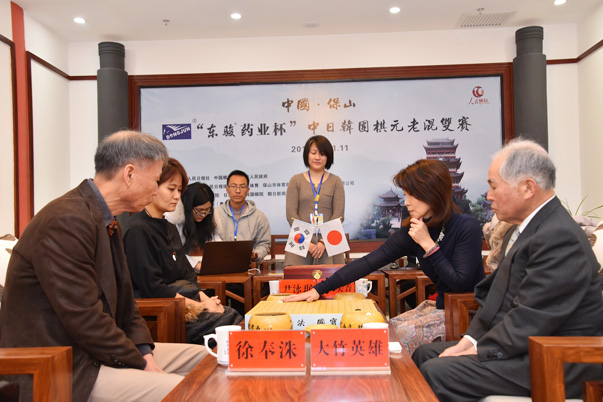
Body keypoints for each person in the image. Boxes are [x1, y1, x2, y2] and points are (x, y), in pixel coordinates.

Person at [0, 131, 207, 402]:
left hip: (100, 351)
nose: (156, 191)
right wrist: (142, 364)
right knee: (194, 391)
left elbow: (127, 305)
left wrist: (145, 352)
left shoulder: (107, 220)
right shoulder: (66, 221)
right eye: (156, 180)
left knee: (209, 359)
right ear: (129, 173)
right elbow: (84, 318)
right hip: (66, 365)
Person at [412, 139, 603, 401]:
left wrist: (476, 352)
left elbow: (531, 318)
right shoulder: (524, 228)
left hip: (559, 358)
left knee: (438, 371)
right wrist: (469, 342)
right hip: (528, 346)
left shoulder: (559, 236)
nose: (488, 195)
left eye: (494, 186)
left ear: (528, 188)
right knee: (424, 354)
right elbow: (498, 301)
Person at [284, 159, 485, 352]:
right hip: (441, 308)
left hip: (469, 314)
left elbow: (459, 283)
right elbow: (368, 262)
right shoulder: (414, 230)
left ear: (432, 193)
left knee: (396, 335)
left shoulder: (466, 226)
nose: (406, 203)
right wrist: (318, 289)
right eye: (405, 195)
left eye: (411, 196)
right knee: (385, 328)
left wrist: (427, 244)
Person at [123, 158, 242, 345]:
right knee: (230, 322)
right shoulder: (138, 229)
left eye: (179, 190)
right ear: (152, 186)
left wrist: (207, 301)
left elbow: (188, 274)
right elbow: (153, 287)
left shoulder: (169, 228)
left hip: (181, 303)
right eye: (171, 189)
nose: (177, 196)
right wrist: (201, 306)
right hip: (160, 311)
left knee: (231, 317)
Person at [284, 135, 346, 265]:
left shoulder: (336, 181)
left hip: (330, 240)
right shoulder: (295, 181)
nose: (317, 157)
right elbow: (291, 214)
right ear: (307, 155)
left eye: (322, 154)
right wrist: (307, 241)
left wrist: (323, 242)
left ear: (328, 157)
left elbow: (338, 215)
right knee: (297, 277)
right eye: (313, 153)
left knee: (334, 277)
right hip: (300, 239)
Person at [214, 170, 271, 263]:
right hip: (220, 263)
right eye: (234, 186)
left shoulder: (259, 216)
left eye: (242, 187)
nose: (238, 191)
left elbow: (264, 243)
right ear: (227, 189)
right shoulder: (215, 214)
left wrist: (256, 254)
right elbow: (210, 240)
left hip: (248, 265)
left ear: (248, 190)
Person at [166, 182, 220, 272]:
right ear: (188, 207)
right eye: (199, 210)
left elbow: (215, 242)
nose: (203, 214)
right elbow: (172, 251)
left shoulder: (208, 218)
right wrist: (195, 265)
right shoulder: (173, 221)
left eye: (207, 209)